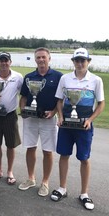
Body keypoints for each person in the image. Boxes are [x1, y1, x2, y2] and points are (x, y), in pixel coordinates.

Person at [50, 48, 105, 210]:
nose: (80, 63)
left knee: (84, 158)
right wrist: (59, 117)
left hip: (84, 126)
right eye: (77, 60)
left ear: (88, 61)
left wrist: (90, 119)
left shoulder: (96, 80)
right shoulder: (65, 79)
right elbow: (59, 100)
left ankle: (84, 193)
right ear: (73, 62)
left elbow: (101, 104)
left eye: (83, 60)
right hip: (66, 125)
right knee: (64, 155)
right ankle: (62, 188)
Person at [18, 47, 63, 196]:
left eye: (43, 57)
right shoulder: (29, 77)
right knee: (30, 148)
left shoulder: (58, 76)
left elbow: (60, 100)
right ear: (35, 59)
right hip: (30, 119)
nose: (41, 60)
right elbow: (23, 97)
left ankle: (45, 182)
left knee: (48, 151)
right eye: (38, 57)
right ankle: (31, 178)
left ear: (49, 58)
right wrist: (23, 111)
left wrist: (54, 112)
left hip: (48, 119)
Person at [0, 52, 23, 185]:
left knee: (11, 145)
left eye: (6, 60)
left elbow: (23, 94)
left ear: (10, 62)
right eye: (1, 60)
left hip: (10, 115)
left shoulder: (18, 77)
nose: (4, 63)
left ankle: (10, 171)